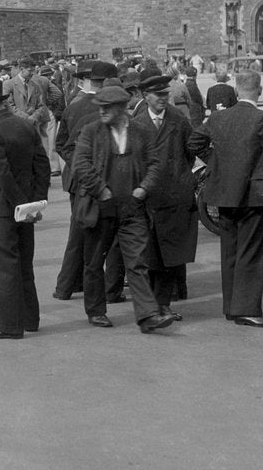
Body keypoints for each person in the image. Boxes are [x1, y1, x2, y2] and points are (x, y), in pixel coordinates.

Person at [71, 86, 175, 334]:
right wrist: (101, 190)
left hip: (132, 209)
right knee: (94, 262)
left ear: (121, 108)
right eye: (100, 107)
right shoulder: (91, 131)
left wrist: (143, 188)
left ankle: (148, 316)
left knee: (137, 263)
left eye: (107, 107)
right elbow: (81, 165)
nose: (102, 111)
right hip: (100, 207)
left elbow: (155, 164)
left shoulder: (140, 131)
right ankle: (96, 311)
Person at [0, 77, 49, 340]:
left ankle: (7, 325)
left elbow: (0, 174)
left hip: (3, 208)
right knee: (24, 264)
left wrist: (19, 205)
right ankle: (30, 319)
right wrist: (34, 203)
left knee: (4, 267)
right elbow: (42, 166)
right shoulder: (25, 126)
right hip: (26, 207)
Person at [188, 70, 263, 327]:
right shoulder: (260, 118)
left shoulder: (218, 118)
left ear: (236, 90)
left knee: (229, 249)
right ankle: (246, 309)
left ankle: (231, 306)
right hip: (253, 195)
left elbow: (194, 143)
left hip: (223, 193)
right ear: (259, 91)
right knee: (251, 251)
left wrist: (217, 164)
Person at [133, 74, 197, 322]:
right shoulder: (137, 124)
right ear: (145, 96)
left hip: (174, 195)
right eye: (157, 96)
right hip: (149, 198)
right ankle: (152, 307)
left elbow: (189, 153)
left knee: (171, 254)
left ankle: (164, 305)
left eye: (165, 95)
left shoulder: (178, 120)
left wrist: (178, 178)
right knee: (151, 255)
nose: (162, 100)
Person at [51, 60, 115, 300]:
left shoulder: (74, 106)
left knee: (78, 232)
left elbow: (61, 144)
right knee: (90, 235)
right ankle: (73, 285)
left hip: (76, 180)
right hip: (96, 180)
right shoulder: (102, 107)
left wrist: (77, 163)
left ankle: (67, 286)